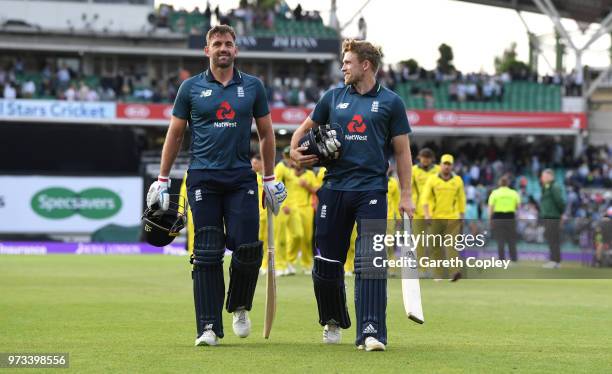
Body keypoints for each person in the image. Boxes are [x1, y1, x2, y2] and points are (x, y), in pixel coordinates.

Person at [146, 25, 287, 347]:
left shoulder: (252, 86)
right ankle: (207, 327)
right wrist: (163, 178)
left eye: (228, 43)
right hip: (203, 178)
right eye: (217, 44)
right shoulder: (190, 88)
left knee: (247, 248)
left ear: (235, 50)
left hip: (240, 178)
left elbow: (266, 134)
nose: (223, 48)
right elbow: (175, 134)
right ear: (207, 50)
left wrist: (269, 178)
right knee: (207, 252)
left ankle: (239, 306)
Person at [290, 39, 414, 351]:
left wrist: (407, 196)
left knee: (370, 260)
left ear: (365, 65)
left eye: (347, 62)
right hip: (333, 189)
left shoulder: (391, 103)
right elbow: (302, 130)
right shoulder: (332, 97)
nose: (343, 67)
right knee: (327, 261)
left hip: (372, 190)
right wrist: (294, 151)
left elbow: (402, 152)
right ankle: (332, 320)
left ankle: (371, 331)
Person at [422, 154, 466, 281]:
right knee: (435, 246)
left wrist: (462, 215)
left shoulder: (457, 181)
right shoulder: (432, 180)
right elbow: (425, 198)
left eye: (449, 164)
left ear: (452, 166)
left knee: (451, 245)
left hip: (452, 217)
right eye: (444, 164)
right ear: (440, 165)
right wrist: (427, 214)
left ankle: (454, 273)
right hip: (435, 217)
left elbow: (461, 199)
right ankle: (437, 274)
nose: (446, 166)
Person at [411, 148, 440, 273]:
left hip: (434, 211)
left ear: (432, 159)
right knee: (419, 241)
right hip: (417, 210)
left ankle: (435, 268)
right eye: (423, 157)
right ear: (419, 157)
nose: (425, 160)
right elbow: (409, 189)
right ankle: (422, 268)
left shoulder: (437, 170)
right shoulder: (414, 170)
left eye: (428, 157)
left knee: (435, 240)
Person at [488, 176, 520, 262]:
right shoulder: (514, 193)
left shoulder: (494, 193)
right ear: (508, 183)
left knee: (500, 239)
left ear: (499, 183)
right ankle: (514, 258)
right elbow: (518, 206)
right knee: (511, 239)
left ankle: (501, 259)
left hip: (498, 217)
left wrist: (490, 219)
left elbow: (491, 208)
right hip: (510, 216)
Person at [539, 169, 566, 269]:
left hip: (553, 216)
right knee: (551, 239)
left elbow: (560, 201)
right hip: (548, 216)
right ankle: (554, 260)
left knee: (554, 239)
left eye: (544, 176)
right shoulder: (547, 187)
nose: (542, 178)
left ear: (550, 176)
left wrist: (561, 213)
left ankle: (555, 261)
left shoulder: (555, 187)